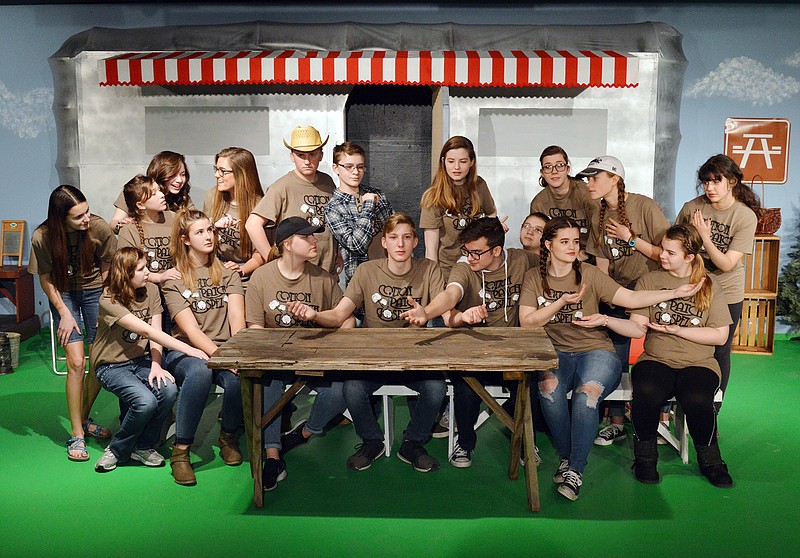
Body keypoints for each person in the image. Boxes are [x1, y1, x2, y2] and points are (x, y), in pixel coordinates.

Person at [517, 216, 703, 501]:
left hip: (596, 350)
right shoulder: (533, 277)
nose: (571, 247)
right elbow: (527, 323)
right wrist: (560, 303)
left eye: (575, 242)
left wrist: (675, 292)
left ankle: (575, 470)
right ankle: (568, 458)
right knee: (549, 392)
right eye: (564, 242)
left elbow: (628, 298)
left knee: (586, 395)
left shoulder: (589, 274)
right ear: (548, 245)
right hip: (554, 352)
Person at [287, 213, 446, 472]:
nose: (400, 244)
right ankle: (372, 441)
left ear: (415, 241)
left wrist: (427, 313)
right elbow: (340, 314)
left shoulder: (429, 269)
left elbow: (445, 303)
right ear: (384, 242)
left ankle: (413, 443)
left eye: (407, 237)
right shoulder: (366, 271)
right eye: (394, 238)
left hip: (415, 356)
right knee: (352, 388)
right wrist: (315, 315)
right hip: (374, 358)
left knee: (436, 389)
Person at [403, 217, 538, 468]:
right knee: (466, 387)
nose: (470, 257)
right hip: (473, 353)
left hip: (512, 352)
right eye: (466, 251)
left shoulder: (522, 260)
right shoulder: (464, 267)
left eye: (476, 252)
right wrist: (428, 313)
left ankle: (522, 439)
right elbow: (450, 294)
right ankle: (465, 442)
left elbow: (551, 268)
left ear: (497, 250)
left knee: (532, 386)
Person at [245, 216, 353, 491]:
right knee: (267, 384)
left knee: (338, 391)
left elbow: (346, 318)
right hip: (277, 359)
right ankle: (272, 456)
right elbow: (255, 328)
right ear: (288, 245)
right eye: (307, 238)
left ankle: (304, 433)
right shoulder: (262, 277)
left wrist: (319, 319)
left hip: (317, 358)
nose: (315, 241)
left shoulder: (322, 278)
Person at [622, 224, 733, 487]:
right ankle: (646, 459)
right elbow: (637, 326)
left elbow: (720, 336)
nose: (662, 255)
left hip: (699, 362)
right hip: (656, 359)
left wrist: (677, 330)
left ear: (689, 257)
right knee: (646, 391)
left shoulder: (709, 284)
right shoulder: (650, 280)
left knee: (696, 397)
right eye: (662, 249)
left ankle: (711, 461)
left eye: (670, 252)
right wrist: (607, 320)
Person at [578, 155, 670, 447]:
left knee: (658, 352)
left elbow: (664, 254)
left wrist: (631, 239)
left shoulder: (644, 206)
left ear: (615, 179)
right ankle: (616, 422)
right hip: (619, 291)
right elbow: (603, 259)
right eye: (588, 178)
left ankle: (660, 418)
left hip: (650, 290)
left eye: (595, 178)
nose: (589, 183)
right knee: (615, 356)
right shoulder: (597, 214)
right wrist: (605, 295)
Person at [91, 247, 206, 472]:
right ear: (125, 274)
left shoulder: (151, 290)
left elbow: (155, 331)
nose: (148, 272)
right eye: (141, 269)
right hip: (111, 365)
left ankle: (144, 446)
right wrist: (190, 349)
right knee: (145, 402)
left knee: (169, 390)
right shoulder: (108, 300)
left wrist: (156, 365)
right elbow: (149, 332)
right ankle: (117, 449)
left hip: (140, 360)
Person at [29, 185, 117, 461]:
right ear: (61, 218)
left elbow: (108, 263)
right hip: (63, 292)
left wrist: (103, 295)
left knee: (99, 359)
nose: (86, 219)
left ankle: (86, 416)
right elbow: (46, 277)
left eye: (87, 211)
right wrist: (63, 313)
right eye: (78, 217)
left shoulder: (99, 228)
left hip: (95, 290)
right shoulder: (42, 237)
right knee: (77, 362)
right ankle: (77, 433)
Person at [161, 210, 245, 486]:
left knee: (236, 380)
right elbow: (191, 331)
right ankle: (181, 452)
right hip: (185, 350)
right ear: (185, 239)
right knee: (199, 373)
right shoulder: (174, 279)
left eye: (210, 230)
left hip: (224, 347)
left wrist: (236, 355)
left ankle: (228, 436)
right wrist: (221, 357)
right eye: (200, 232)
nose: (209, 236)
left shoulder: (228, 273)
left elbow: (237, 322)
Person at [675, 154, 759, 407]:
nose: (709, 188)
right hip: (693, 287)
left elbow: (726, 264)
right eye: (705, 182)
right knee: (684, 343)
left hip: (727, 292)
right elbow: (676, 244)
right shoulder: (693, 207)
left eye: (716, 181)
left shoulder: (744, 217)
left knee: (720, 349)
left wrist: (704, 236)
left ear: (732, 182)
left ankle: (712, 412)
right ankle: (676, 406)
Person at [245, 125, 339, 275]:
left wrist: (337, 253)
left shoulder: (327, 182)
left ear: (321, 155)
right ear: (292, 156)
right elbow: (252, 224)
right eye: (301, 155)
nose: (307, 161)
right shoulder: (281, 187)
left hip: (327, 272)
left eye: (312, 154)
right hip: (297, 274)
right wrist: (273, 259)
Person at [420, 136, 499, 280]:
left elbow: (491, 215)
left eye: (463, 161)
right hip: (447, 270)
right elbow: (430, 251)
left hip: (478, 268)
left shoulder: (479, 185)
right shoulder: (433, 196)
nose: (456, 167)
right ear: (443, 162)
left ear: (471, 162)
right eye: (451, 161)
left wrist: (495, 229)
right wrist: (433, 282)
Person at [324, 141, 394, 285]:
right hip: (362, 282)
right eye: (349, 167)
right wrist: (368, 206)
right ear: (336, 168)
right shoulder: (333, 208)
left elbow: (396, 228)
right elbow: (356, 245)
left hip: (392, 275)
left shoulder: (377, 195)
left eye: (360, 167)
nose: (355, 172)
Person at [203, 147, 265, 281]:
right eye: (216, 169)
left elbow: (262, 253)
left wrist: (240, 270)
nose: (217, 175)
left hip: (247, 275)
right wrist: (213, 227)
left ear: (241, 174)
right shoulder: (212, 197)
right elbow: (200, 238)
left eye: (223, 171)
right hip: (215, 271)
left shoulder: (260, 205)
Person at [117, 174, 181, 286]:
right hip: (146, 288)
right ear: (140, 204)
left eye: (160, 191)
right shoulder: (129, 230)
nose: (162, 195)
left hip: (174, 285)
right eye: (154, 194)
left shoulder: (173, 217)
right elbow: (129, 268)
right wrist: (159, 277)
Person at [529, 145, 595, 253]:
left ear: (567, 169)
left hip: (587, 255)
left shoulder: (586, 193)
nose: (554, 171)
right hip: (555, 256)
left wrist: (584, 255)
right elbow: (539, 239)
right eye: (548, 167)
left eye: (559, 165)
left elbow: (599, 231)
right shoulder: (538, 203)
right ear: (542, 173)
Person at [110, 151, 194, 232]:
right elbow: (113, 223)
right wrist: (121, 224)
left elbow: (194, 221)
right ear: (161, 174)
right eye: (173, 175)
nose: (179, 180)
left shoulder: (182, 196)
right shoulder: (136, 191)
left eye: (182, 174)